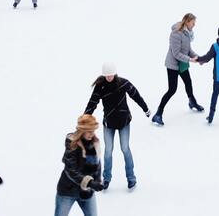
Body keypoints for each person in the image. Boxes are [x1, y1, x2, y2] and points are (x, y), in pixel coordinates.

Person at [84, 62, 150, 190]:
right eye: (107, 75)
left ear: (115, 73)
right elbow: (93, 102)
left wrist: (146, 109)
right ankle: (106, 179)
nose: (109, 77)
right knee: (108, 151)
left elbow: (136, 95)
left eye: (111, 75)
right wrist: (85, 118)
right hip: (109, 123)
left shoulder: (123, 83)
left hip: (124, 122)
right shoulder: (100, 86)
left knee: (125, 148)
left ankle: (131, 178)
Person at [152, 15, 204, 125]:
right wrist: (190, 60)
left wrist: (199, 58)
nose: (194, 25)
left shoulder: (187, 34)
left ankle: (192, 102)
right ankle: (158, 114)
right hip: (173, 65)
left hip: (182, 64)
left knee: (188, 83)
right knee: (172, 89)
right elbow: (176, 54)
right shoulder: (176, 33)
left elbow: (188, 50)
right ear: (187, 22)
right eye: (193, 23)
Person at [55, 114, 104, 215]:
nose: (92, 134)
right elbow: (71, 170)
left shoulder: (94, 143)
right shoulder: (71, 144)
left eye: (93, 130)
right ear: (82, 130)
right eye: (89, 131)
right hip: (68, 191)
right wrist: (90, 182)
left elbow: (97, 164)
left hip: (87, 192)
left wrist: (98, 181)